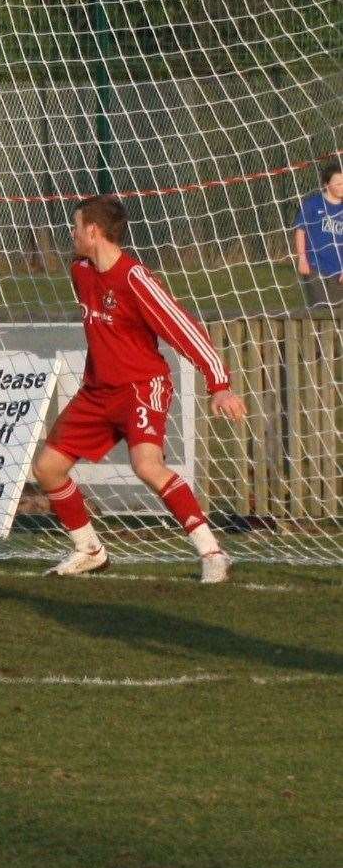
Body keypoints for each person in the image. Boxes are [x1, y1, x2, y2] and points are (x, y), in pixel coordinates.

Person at [32, 196, 248, 583]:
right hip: (97, 391)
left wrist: (220, 385)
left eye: (76, 226)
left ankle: (213, 552)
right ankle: (89, 551)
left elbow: (184, 328)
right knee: (47, 468)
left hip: (140, 386)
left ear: (93, 232)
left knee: (147, 465)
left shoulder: (136, 278)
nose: (72, 233)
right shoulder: (80, 272)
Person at [293, 161, 343, 311]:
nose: (342, 186)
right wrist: (302, 259)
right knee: (319, 310)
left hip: (338, 269)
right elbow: (300, 230)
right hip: (315, 266)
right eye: (338, 183)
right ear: (327, 184)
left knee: (336, 313)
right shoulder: (313, 204)